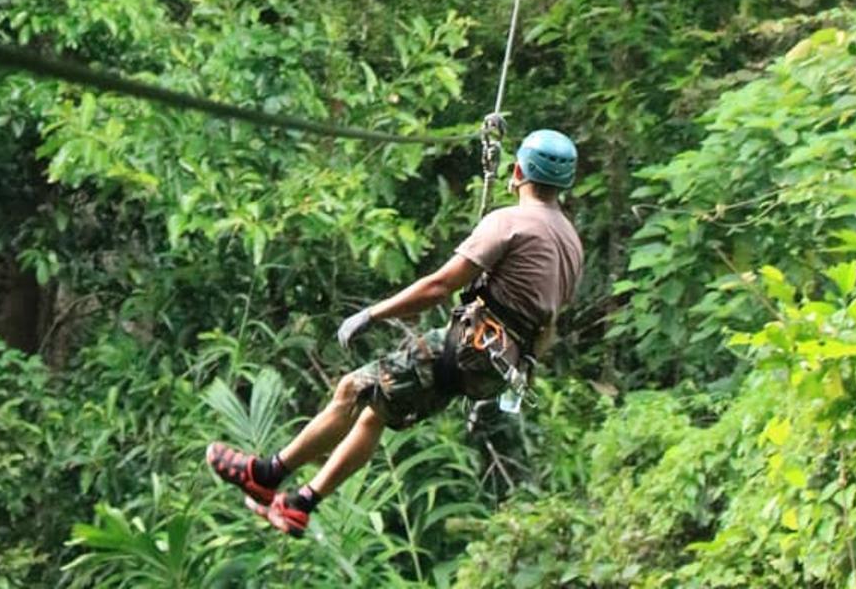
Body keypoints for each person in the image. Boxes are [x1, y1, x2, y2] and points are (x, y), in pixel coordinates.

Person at [206, 129, 584, 538]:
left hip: (469, 348)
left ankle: (266, 474)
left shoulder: (510, 222)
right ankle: (300, 504)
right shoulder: (570, 241)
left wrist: (373, 313)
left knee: (352, 389)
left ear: (517, 172)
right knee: (374, 414)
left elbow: (439, 286)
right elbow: (546, 318)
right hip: (497, 365)